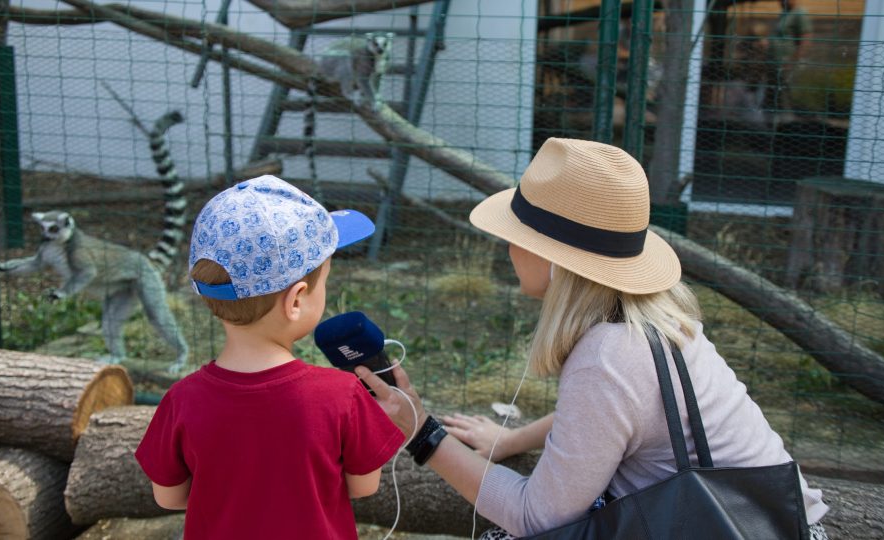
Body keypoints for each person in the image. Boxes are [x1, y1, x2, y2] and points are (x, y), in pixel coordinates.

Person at [356, 138, 830, 539]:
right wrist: (514, 438)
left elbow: (535, 517)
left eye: (517, 234)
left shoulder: (608, 355)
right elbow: (612, 413)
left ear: (556, 259)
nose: (507, 246)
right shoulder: (645, 321)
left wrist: (422, 432)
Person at [135, 175, 405, 538]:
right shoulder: (342, 395)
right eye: (325, 281)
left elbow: (168, 497)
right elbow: (363, 487)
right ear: (296, 300)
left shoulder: (181, 400)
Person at [764, 0, 812, 118]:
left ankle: (789, 128)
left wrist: (792, 61)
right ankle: (775, 128)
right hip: (774, 66)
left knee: (786, 100)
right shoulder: (784, 13)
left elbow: (806, 40)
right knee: (774, 100)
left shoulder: (799, 13)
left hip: (786, 66)